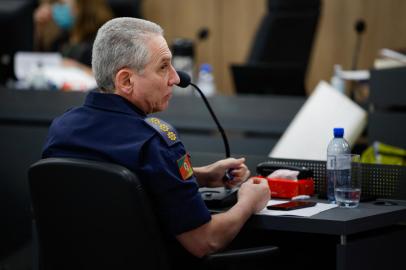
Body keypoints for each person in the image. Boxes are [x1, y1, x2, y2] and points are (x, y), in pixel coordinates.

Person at [42, 17, 270, 267]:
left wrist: (201, 175)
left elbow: (119, 184)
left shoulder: (62, 128)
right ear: (126, 81)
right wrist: (248, 201)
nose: (175, 78)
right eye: (163, 67)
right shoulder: (154, 142)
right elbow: (204, 241)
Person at [33, 0, 113, 72]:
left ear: (82, 5)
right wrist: (39, 29)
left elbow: (111, 80)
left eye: (62, 4)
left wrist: (76, 68)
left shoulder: (104, 39)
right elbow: (42, 64)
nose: (55, 9)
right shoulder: (62, 39)